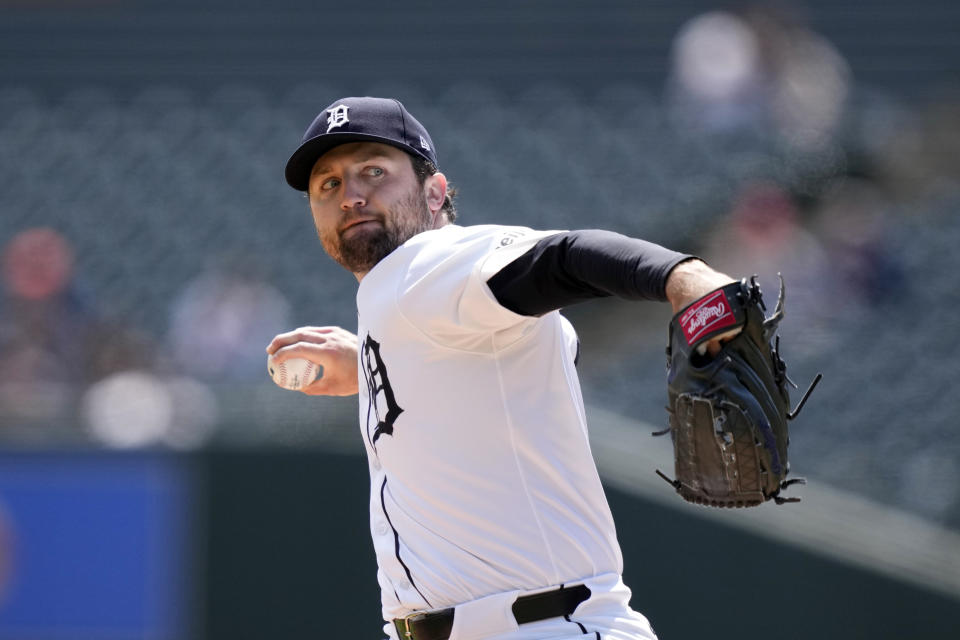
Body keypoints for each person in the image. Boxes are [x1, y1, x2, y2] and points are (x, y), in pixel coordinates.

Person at [266, 97, 735, 640]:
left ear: (434, 192)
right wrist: (378, 366)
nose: (350, 195)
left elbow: (564, 257)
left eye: (374, 171)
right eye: (328, 185)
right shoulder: (416, 308)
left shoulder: (422, 265)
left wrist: (684, 279)